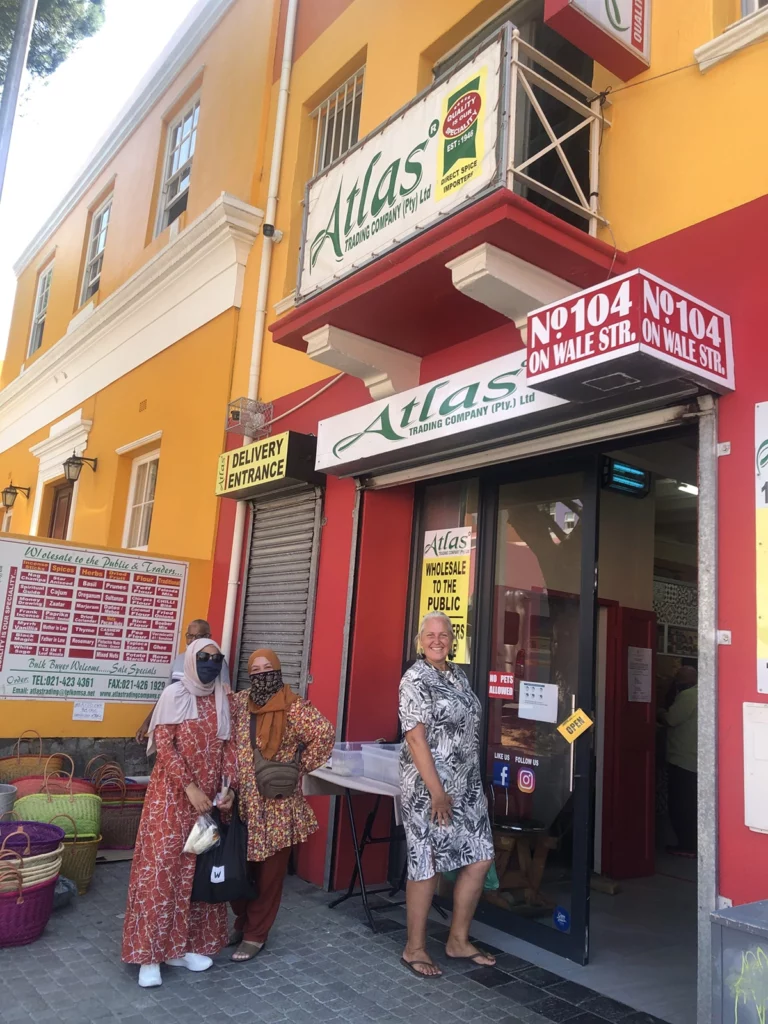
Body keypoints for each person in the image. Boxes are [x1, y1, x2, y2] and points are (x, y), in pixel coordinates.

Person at [122, 637, 234, 988]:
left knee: (196, 874)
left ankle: (181, 949)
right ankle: (149, 955)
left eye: (217, 659)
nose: (211, 664)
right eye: (204, 658)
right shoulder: (173, 695)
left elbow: (229, 745)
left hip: (208, 802)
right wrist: (190, 787)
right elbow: (165, 748)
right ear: (190, 660)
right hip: (171, 798)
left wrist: (229, 788)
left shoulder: (222, 697)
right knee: (162, 872)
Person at [398, 612, 496, 979]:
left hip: (466, 787)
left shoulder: (458, 675)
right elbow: (415, 737)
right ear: (420, 640)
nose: (437, 640)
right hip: (428, 789)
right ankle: (414, 948)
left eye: (444, 634)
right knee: (426, 862)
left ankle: (457, 939)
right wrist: (437, 792)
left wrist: (469, 784)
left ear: (453, 639)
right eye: (430, 635)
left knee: (481, 856)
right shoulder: (414, 679)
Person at [227, 648, 334, 962]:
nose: (262, 674)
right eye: (256, 669)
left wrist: (296, 768)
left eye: (268, 668)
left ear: (278, 670)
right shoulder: (237, 703)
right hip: (240, 802)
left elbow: (324, 733)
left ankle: (255, 934)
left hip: (277, 806)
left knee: (269, 876)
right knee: (238, 869)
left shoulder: (293, 706)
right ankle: (242, 920)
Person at [135, 619, 230, 743]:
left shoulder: (215, 662)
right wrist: (147, 722)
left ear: (208, 637)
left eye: (198, 636)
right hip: (171, 725)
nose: (192, 640)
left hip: (200, 732)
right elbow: (165, 697)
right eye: (189, 636)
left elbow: (225, 697)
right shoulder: (179, 660)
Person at [662, 663, 698, 857]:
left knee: (680, 804)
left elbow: (671, 719)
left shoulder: (688, 696)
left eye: (679, 679)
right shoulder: (704, 693)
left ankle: (687, 845)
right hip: (696, 757)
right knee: (691, 803)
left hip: (682, 757)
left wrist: (658, 711)